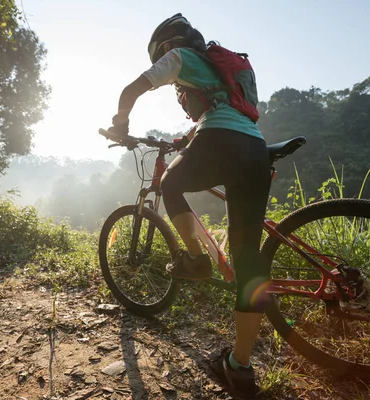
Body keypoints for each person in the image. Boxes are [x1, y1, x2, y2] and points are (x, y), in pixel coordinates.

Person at [107, 13, 271, 399]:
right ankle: (239, 368)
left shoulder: (178, 56)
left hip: (221, 141)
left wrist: (119, 122)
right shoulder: (222, 68)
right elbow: (223, 112)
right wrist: (185, 139)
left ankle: (196, 260)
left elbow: (132, 89)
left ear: (164, 46)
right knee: (247, 261)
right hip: (255, 150)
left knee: (170, 183)